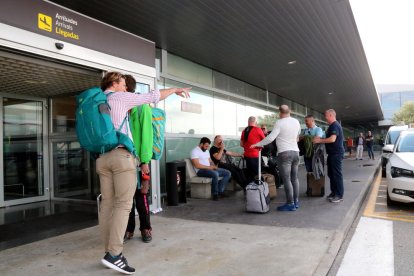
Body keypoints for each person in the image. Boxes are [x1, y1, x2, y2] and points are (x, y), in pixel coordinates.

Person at [97, 71, 190, 274]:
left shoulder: (98, 99)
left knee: (107, 204)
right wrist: (174, 89)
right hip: (121, 157)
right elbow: (152, 96)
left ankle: (108, 250)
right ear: (114, 83)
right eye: (122, 83)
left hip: (102, 158)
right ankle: (114, 254)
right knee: (124, 204)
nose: (125, 87)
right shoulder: (119, 97)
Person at [251, 105, 301, 211]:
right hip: (296, 152)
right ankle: (296, 202)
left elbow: (270, 138)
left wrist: (257, 144)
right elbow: (297, 137)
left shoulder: (279, 122)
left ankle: (290, 203)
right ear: (289, 111)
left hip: (284, 153)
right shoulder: (296, 121)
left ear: (280, 113)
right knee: (294, 178)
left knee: (287, 179)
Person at [123, 75, 153, 243]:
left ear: (126, 88)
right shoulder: (121, 107)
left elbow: (146, 136)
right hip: (124, 160)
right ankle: (129, 229)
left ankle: (146, 229)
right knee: (127, 198)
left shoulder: (142, 107)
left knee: (141, 198)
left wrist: (145, 161)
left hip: (140, 161)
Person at [313, 109, 345, 203]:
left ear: (331, 115)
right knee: (331, 174)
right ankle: (334, 192)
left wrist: (319, 141)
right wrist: (322, 138)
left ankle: (339, 195)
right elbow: (329, 138)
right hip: (332, 154)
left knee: (336, 174)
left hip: (336, 153)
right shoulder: (332, 126)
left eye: (326, 116)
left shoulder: (335, 125)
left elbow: (332, 139)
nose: (325, 118)